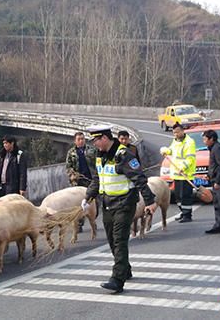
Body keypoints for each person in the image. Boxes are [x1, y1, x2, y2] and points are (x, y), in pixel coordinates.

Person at [82, 124, 157, 293]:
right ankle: (125, 269)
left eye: (96, 140)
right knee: (111, 240)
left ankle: (117, 279)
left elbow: (139, 178)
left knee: (119, 240)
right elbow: (97, 179)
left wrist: (150, 201)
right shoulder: (99, 156)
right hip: (108, 204)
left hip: (125, 203)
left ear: (105, 138)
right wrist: (88, 197)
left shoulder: (123, 154)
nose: (94, 144)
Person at [160, 123, 196, 223]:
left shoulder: (189, 142)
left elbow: (190, 158)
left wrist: (183, 167)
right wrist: (165, 150)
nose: (175, 134)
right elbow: (171, 150)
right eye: (174, 132)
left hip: (185, 174)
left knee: (186, 196)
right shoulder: (175, 141)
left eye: (177, 132)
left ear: (182, 131)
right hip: (176, 174)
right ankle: (183, 212)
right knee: (178, 196)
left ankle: (187, 215)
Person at [202, 129, 220, 237]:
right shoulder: (213, 148)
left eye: (205, 139)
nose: (204, 141)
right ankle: (218, 226)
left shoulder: (218, 148)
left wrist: (218, 181)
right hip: (215, 181)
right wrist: (209, 175)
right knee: (217, 205)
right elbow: (214, 166)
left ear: (212, 139)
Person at [66, 131, 97, 232]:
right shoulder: (71, 153)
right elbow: (68, 167)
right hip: (78, 182)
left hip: (90, 179)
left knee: (94, 201)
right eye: (79, 139)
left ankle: (93, 217)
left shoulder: (92, 150)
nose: (81, 141)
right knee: (79, 203)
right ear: (75, 141)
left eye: (82, 139)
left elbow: (97, 162)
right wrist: (72, 174)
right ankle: (79, 223)